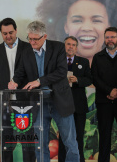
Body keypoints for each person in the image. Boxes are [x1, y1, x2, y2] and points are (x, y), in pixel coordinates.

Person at [8, 21, 79, 162]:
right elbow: (20, 71)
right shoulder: (26, 51)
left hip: (59, 101)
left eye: (35, 39)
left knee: (70, 142)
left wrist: (39, 81)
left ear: (44, 36)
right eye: (30, 38)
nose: (32, 42)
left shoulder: (58, 47)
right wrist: (14, 81)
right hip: (38, 103)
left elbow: (61, 72)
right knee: (40, 144)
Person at [0, 18, 34, 162]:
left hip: (25, 101)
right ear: (1, 33)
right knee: (6, 140)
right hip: (4, 101)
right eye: (4, 33)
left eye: (11, 32)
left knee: (27, 138)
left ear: (16, 30)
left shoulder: (28, 48)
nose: (8, 36)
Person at [91, 27, 117, 162]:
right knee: (104, 135)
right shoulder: (97, 57)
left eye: (112, 37)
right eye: (107, 37)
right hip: (104, 102)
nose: (110, 40)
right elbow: (95, 78)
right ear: (104, 39)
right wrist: (109, 91)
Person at [58, 36, 91, 162]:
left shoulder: (83, 62)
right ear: (64, 46)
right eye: (68, 44)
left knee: (79, 136)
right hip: (62, 105)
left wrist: (78, 80)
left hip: (79, 106)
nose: (70, 47)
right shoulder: (58, 61)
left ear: (76, 48)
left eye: (73, 45)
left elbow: (89, 79)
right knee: (63, 137)